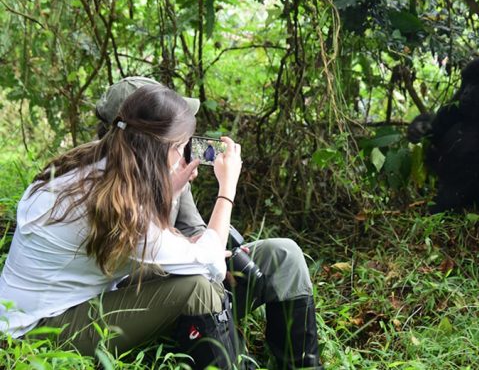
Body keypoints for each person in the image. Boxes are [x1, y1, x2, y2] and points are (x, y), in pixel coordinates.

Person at [0, 84, 243, 369]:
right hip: (33, 335)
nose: (185, 155)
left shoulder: (90, 169)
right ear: (161, 150)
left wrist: (170, 191)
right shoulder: (120, 209)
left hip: (24, 314)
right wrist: (227, 187)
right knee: (197, 289)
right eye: (181, 147)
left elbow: (147, 240)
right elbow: (213, 265)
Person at [94, 77, 323, 370]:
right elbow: (120, 265)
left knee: (283, 254)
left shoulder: (169, 162)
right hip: (148, 299)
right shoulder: (99, 182)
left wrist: (212, 247)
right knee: (200, 280)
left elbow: (195, 229)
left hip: (191, 275)